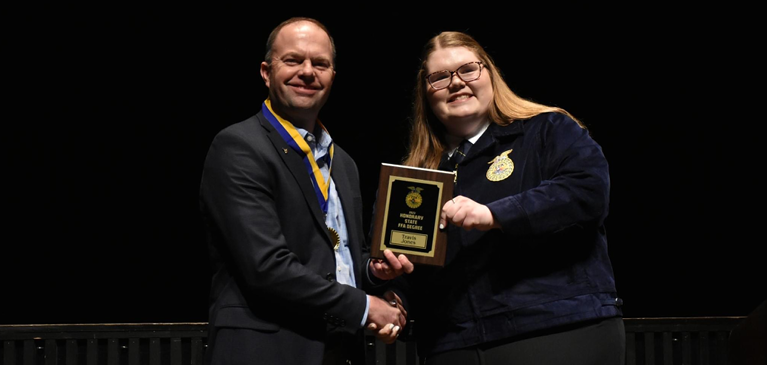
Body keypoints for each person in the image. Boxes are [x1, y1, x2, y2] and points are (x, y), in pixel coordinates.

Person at [388, 31, 625, 365]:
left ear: (490, 74)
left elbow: (587, 191)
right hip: (452, 344)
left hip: (555, 329)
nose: (456, 83)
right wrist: (394, 297)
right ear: (425, 94)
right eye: (439, 77)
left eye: (468, 69)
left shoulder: (547, 129)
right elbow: (406, 262)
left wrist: (493, 215)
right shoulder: (414, 177)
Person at [199, 17, 413, 365]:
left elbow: (340, 254)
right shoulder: (238, 147)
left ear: (332, 77)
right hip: (268, 349)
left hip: (341, 349)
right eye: (294, 60)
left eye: (321, 64)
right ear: (267, 72)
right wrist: (364, 307)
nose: (308, 72)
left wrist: (374, 273)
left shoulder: (342, 161)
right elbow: (266, 267)